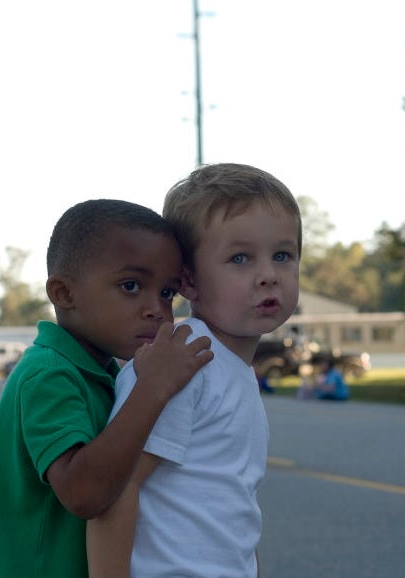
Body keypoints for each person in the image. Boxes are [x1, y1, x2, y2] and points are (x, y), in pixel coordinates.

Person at [0, 199, 213, 578]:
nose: (156, 309)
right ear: (63, 294)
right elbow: (84, 493)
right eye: (131, 285)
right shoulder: (48, 374)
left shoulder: (104, 372)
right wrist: (153, 389)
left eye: (167, 293)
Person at [87, 163, 302, 578]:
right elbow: (117, 488)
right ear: (188, 280)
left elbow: (232, 508)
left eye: (282, 255)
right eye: (240, 258)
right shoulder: (182, 361)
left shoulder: (228, 368)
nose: (267, 276)